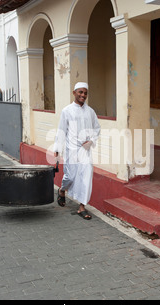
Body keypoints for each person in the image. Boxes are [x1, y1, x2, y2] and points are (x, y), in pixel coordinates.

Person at [53, 82, 101, 220]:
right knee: (70, 176)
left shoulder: (90, 111)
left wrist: (91, 140)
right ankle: (62, 191)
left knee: (86, 177)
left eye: (85, 93)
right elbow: (61, 130)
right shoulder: (66, 111)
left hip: (85, 151)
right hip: (71, 150)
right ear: (74, 93)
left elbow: (97, 128)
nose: (83, 95)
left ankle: (82, 207)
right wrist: (57, 149)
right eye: (80, 92)